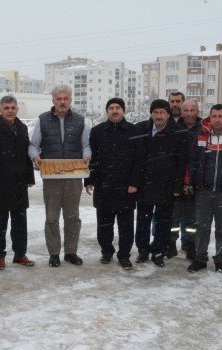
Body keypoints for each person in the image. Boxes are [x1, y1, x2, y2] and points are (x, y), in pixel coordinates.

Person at [29, 85, 91, 267]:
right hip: (51, 178)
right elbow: (33, 144)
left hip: (74, 177)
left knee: (72, 217)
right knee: (52, 218)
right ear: (53, 101)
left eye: (65, 98)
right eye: (59, 99)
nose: (62, 102)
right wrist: (35, 156)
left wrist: (87, 155)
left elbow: (86, 144)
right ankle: (54, 254)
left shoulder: (80, 121)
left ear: (70, 100)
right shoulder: (43, 120)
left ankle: (71, 252)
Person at [85, 98, 142, 270]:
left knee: (126, 227)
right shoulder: (97, 131)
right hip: (104, 187)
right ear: (107, 111)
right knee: (104, 226)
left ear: (123, 111)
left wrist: (134, 182)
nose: (114, 111)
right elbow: (92, 158)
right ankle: (106, 252)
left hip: (126, 188)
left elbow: (139, 160)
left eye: (118, 108)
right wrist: (89, 180)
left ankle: (124, 255)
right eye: (111, 108)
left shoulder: (134, 130)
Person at [0, 95, 36, 270]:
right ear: (0, 110)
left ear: (17, 109)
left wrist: (29, 177)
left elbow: (26, 155)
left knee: (20, 222)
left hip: (19, 183)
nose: (10, 111)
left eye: (13, 107)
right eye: (6, 108)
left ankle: (20, 254)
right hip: (0, 185)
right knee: (0, 223)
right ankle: (0, 255)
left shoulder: (22, 128)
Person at [186, 104, 222, 273]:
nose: (217, 119)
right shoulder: (201, 134)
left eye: (220, 116)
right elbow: (192, 160)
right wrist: (189, 181)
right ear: (209, 117)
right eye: (214, 116)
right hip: (203, 189)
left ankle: (220, 259)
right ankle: (200, 258)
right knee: (202, 227)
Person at [134, 99, 189, 267]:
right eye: (156, 112)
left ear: (168, 114)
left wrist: (177, 185)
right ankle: (143, 251)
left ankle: (159, 251)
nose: (159, 116)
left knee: (163, 222)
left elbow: (182, 162)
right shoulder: (141, 129)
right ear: (151, 113)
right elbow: (135, 158)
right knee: (143, 221)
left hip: (167, 184)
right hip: (144, 184)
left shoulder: (179, 132)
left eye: (162, 112)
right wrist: (134, 182)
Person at [169, 99, 201, 260]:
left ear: (198, 112)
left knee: (192, 219)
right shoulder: (174, 128)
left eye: (192, 110)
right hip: (176, 179)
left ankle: (190, 245)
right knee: (174, 217)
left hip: (196, 180)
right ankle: (171, 244)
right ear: (181, 113)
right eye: (186, 110)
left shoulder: (204, 129)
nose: (188, 114)